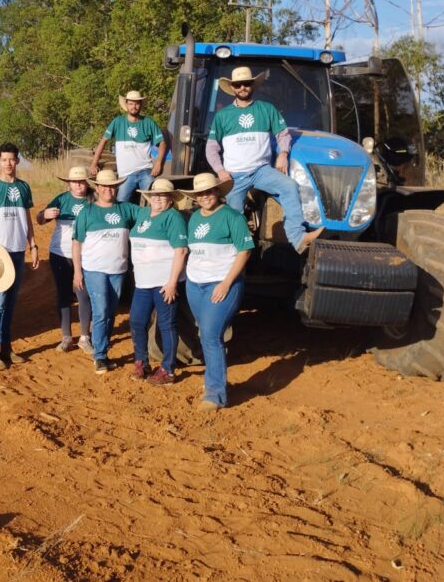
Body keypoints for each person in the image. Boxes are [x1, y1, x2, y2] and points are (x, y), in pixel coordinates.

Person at [206, 66, 323, 253]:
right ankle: (231, 254)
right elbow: (211, 148)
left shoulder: (267, 109)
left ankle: (298, 237)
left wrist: (283, 154)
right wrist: (220, 171)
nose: (242, 87)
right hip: (234, 175)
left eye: (246, 83)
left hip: (261, 170)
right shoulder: (222, 116)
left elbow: (283, 135)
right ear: (233, 88)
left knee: (289, 186)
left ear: (252, 85)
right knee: (233, 216)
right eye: (238, 85)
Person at [180, 173, 254, 410]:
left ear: (218, 192)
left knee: (211, 336)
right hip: (195, 284)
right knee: (206, 333)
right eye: (200, 193)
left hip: (222, 284)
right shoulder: (193, 219)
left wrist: (225, 283)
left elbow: (244, 251)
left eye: (209, 191)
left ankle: (215, 395)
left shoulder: (232, 217)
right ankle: (213, 377)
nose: (205, 197)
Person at [0, 143, 40, 371]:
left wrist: (33, 245)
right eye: (4, 159)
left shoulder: (24, 187)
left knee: (11, 303)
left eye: (12, 159)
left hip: (17, 251)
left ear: (18, 161)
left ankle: (6, 348)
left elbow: (27, 218)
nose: (8, 164)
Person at [72, 169, 140, 374]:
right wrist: (77, 271)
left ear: (116, 187)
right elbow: (77, 243)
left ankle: (103, 349)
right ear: (97, 188)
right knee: (101, 311)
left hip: (118, 269)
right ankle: (99, 356)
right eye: (104, 186)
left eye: (112, 186)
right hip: (94, 269)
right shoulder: (87, 212)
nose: (108, 189)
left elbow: (151, 216)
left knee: (110, 312)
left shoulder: (127, 209)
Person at [128, 179, 189, 384]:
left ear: (171, 200)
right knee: (137, 321)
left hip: (164, 282)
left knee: (166, 324)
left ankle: (168, 369)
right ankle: (141, 362)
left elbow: (181, 250)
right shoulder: (143, 214)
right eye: (155, 195)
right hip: (143, 281)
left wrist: (172, 282)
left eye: (163, 196)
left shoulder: (173, 218)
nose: (158, 199)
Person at [37, 165, 94, 355]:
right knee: (63, 294)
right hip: (60, 252)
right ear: (69, 183)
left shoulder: (93, 199)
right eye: (75, 182)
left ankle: (85, 336)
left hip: (86, 254)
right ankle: (66, 337)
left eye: (82, 181)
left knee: (83, 294)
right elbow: (39, 218)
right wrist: (45, 215)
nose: (78, 185)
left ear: (87, 182)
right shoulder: (61, 199)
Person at [89, 90, 167, 202]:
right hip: (126, 174)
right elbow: (103, 141)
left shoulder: (148, 122)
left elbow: (162, 142)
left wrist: (158, 163)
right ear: (126, 104)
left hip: (145, 170)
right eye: (131, 103)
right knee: (121, 203)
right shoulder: (117, 122)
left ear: (140, 105)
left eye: (136, 103)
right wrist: (94, 163)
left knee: (155, 199)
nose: (134, 106)